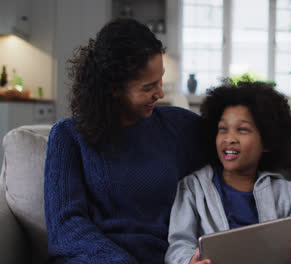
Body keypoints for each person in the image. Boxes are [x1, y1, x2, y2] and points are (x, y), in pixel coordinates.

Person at [44, 18, 211, 263]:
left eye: (160, 80)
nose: (161, 93)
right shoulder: (68, 136)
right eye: (148, 87)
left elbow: (236, 147)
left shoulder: (179, 126)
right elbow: (66, 227)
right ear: (114, 88)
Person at [165, 81, 291, 264]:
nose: (229, 139)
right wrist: (189, 261)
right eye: (222, 129)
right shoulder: (192, 188)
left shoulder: (286, 191)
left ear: (268, 141)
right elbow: (178, 245)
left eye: (242, 130)